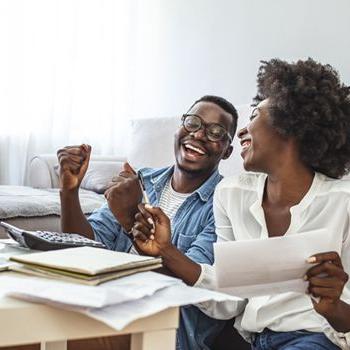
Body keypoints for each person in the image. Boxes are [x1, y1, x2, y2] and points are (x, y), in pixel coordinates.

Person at [135, 59, 350, 349]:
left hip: (313, 338)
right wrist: (166, 252)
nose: (241, 132)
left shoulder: (343, 203)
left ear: (289, 126)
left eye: (254, 115)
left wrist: (332, 306)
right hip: (247, 339)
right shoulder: (231, 193)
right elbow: (230, 298)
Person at [57, 95, 238, 350]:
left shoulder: (225, 203)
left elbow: (193, 282)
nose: (198, 135)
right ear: (180, 127)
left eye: (216, 132)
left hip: (166, 333)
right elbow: (84, 246)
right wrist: (69, 192)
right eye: (193, 123)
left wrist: (130, 219)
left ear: (227, 151)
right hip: (105, 306)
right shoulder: (143, 180)